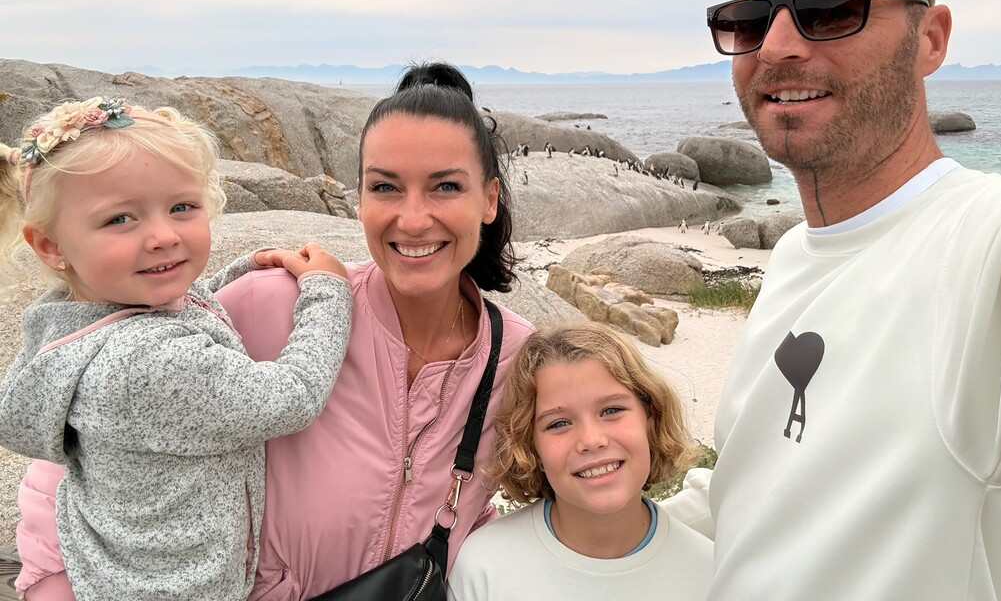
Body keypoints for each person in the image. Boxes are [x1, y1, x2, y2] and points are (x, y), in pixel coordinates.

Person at [13, 63, 534, 600]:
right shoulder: (275, 304)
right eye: (386, 187)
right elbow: (87, 455)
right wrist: (52, 588)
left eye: (446, 186)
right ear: (359, 197)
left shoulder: (517, 359)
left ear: (489, 199)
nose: (414, 218)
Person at [670, 0, 1001, 599]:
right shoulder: (799, 257)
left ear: (930, 39)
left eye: (832, 9)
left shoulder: (989, 244)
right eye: (747, 21)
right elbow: (757, 487)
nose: (777, 46)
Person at [0, 98, 353, 600]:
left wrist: (242, 269)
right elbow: (292, 396)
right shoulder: (146, 366)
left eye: (182, 208)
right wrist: (328, 292)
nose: (163, 236)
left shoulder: (72, 312)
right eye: (121, 219)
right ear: (51, 245)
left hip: (114, 567)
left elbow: (173, 305)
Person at [447, 323, 713, 600]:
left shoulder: (711, 571)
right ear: (531, 448)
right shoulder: (483, 568)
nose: (591, 440)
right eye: (558, 423)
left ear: (651, 418)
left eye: (611, 410)